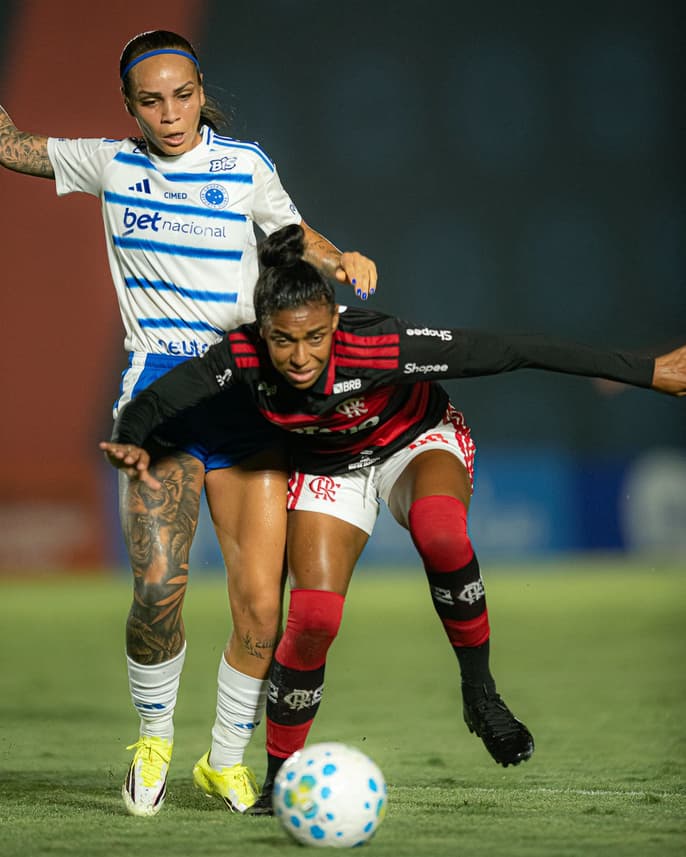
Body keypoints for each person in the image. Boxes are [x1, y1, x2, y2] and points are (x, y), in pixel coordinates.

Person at [101, 223, 686, 814]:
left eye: (316, 338)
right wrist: (128, 434)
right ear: (262, 333)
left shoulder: (384, 344)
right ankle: (280, 780)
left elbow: (513, 350)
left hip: (413, 441)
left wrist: (646, 371)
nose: (299, 357)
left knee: (439, 530)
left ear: (334, 321)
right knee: (313, 619)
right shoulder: (240, 356)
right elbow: (161, 397)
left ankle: (480, 693)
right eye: (283, 341)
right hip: (333, 468)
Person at [0, 32, 378, 817]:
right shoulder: (108, 162)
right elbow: (10, 146)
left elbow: (292, 236)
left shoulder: (244, 166)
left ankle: (224, 761)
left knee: (257, 609)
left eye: (183, 94)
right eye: (151, 99)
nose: (170, 113)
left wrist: (341, 257)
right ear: (129, 107)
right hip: (161, 407)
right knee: (156, 590)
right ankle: (154, 735)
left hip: (247, 406)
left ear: (201, 91)